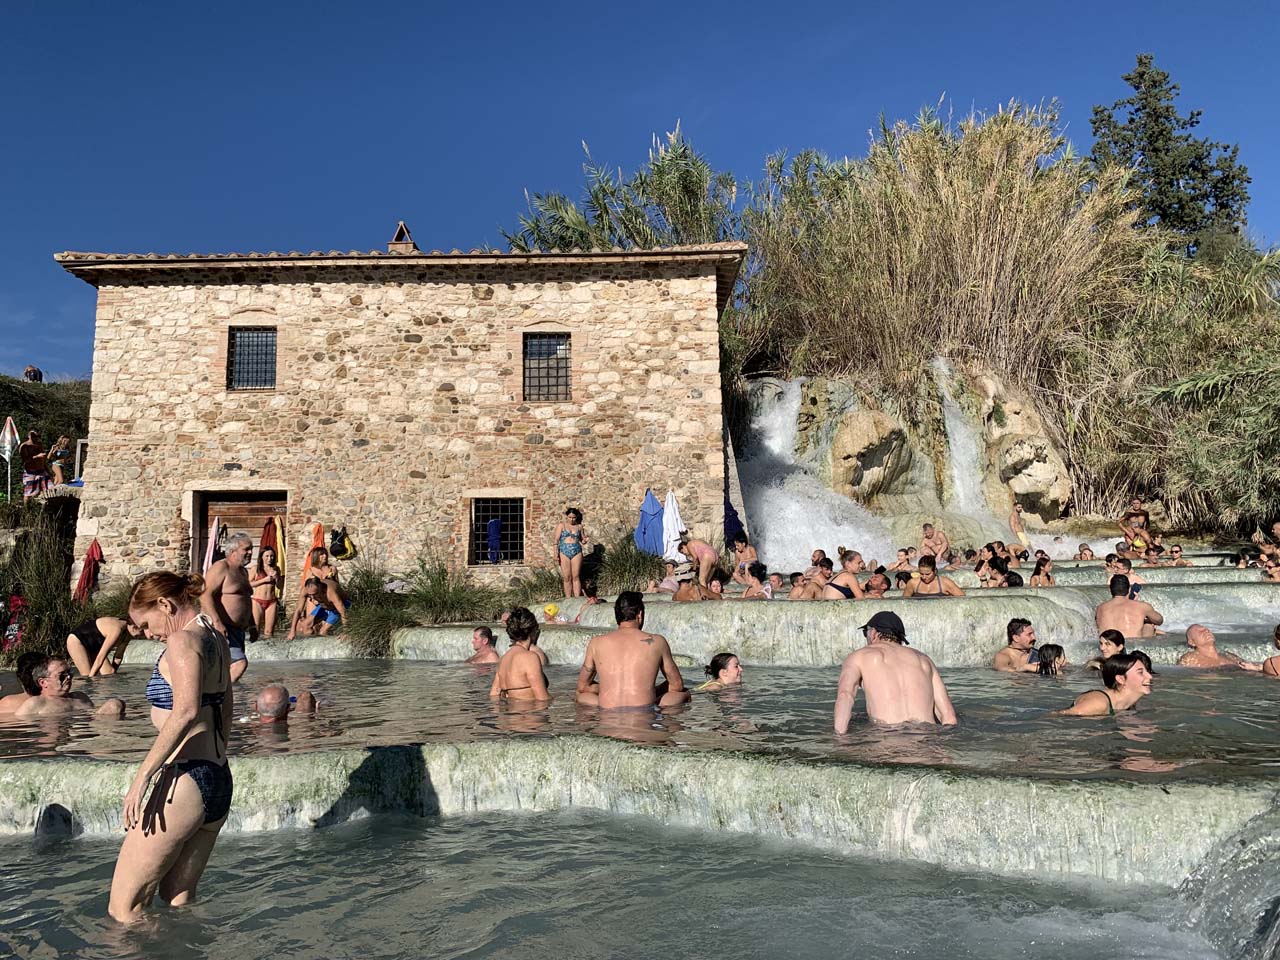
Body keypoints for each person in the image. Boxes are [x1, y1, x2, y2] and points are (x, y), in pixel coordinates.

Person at [108, 571, 232, 924]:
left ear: (165, 604)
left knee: (124, 910)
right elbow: (226, 706)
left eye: (146, 624)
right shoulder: (216, 638)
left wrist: (142, 777)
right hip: (217, 776)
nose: (148, 635)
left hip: (186, 780)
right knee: (178, 900)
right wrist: (216, 755)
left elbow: (186, 712)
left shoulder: (182, 641)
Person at [833, 611, 956, 730]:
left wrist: (840, 737)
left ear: (873, 633)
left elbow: (845, 695)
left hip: (887, 736)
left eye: (866, 633)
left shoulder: (859, 657)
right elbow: (949, 717)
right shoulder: (924, 660)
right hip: (926, 737)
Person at [574, 592, 689, 709]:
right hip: (644, 713)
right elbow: (677, 685)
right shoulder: (657, 641)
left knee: (581, 696)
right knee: (683, 693)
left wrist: (608, 688)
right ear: (640, 614)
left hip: (608, 714)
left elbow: (583, 687)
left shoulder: (596, 643)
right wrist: (652, 690)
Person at [201, 532, 254, 681]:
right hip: (223, 628)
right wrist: (217, 622)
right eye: (246, 549)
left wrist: (252, 625)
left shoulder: (243, 572)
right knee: (239, 664)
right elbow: (204, 595)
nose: (251, 552)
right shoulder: (221, 567)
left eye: (251, 549)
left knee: (224, 669)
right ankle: (221, 693)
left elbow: (245, 600)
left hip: (238, 631)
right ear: (232, 551)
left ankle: (221, 694)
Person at [14, 656, 125, 717]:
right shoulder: (36, 703)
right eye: (62, 676)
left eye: (70, 674)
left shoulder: (80, 697)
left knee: (114, 704)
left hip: (88, 736)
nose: (68, 678)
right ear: (43, 682)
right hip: (60, 742)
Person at [1059, 653, 1151, 717]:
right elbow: (1058, 716)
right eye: (1140, 672)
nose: (1150, 676)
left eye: (1147, 672)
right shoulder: (1098, 703)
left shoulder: (1130, 704)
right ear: (1121, 679)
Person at [489, 607, 551, 701]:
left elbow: (494, 694)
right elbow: (542, 698)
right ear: (533, 630)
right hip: (529, 709)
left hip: (508, 709)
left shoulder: (503, 659)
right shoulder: (530, 657)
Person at [66, 616, 141, 677]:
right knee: (87, 675)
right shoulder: (116, 630)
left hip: (94, 646)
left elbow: (118, 657)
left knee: (109, 672)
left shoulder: (128, 634)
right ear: (134, 627)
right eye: (141, 632)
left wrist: (114, 676)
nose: (141, 636)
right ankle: (75, 686)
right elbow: (100, 657)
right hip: (77, 640)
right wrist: (91, 679)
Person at [1095, 575, 1163, 638]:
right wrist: (1145, 618)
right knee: (1148, 625)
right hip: (1134, 644)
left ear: (1110, 590)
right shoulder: (1142, 606)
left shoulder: (1100, 608)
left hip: (1110, 645)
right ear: (1129, 589)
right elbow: (1159, 620)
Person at [1177, 624, 1261, 670]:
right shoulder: (1189, 658)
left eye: (1207, 630)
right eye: (1200, 631)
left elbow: (1250, 666)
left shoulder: (1228, 655)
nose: (1206, 631)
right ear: (1192, 642)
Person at [552, 507, 588, 598]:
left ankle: (577, 598)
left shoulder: (579, 527)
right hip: (564, 551)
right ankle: (568, 598)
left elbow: (582, 539)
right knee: (567, 577)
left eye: (573, 517)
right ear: (567, 517)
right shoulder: (561, 526)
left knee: (576, 576)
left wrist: (585, 540)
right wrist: (555, 553)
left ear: (576, 517)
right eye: (570, 517)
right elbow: (556, 540)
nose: (571, 519)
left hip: (576, 551)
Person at [250, 546, 283, 639]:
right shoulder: (256, 569)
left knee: (269, 632)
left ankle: (268, 647)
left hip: (271, 601)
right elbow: (249, 584)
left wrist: (277, 578)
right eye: (267, 556)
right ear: (262, 557)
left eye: (271, 556)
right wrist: (264, 580)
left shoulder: (276, 569)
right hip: (257, 601)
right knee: (256, 629)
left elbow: (279, 586)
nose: (269, 558)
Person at [18, 430, 50, 501]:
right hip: (30, 471)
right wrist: (37, 456)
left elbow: (43, 459)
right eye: (33, 436)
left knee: (48, 488)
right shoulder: (25, 446)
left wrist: (47, 470)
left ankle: (43, 505)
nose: (35, 438)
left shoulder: (39, 444)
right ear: (29, 436)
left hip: (41, 470)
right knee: (29, 492)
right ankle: (26, 507)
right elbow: (26, 460)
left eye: (36, 436)